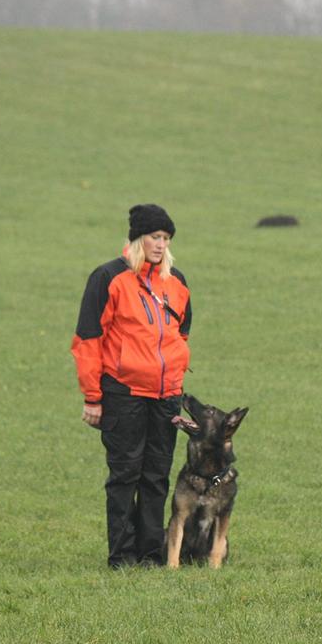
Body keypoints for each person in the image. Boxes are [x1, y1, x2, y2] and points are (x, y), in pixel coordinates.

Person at [71, 204, 192, 568]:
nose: (161, 244)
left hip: (166, 396)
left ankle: (152, 556)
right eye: (155, 237)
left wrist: (175, 378)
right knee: (125, 475)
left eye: (166, 238)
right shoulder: (108, 278)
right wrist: (93, 397)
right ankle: (121, 558)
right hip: (122, 394)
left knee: (156, 477)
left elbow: (181, 334)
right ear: (138, 237)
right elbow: (88, 340)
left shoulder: (178, 283)